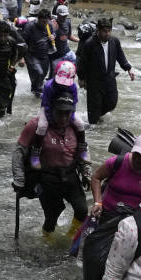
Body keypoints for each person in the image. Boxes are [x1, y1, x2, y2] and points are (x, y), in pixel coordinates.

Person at [14, 94, 89, 233]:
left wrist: (86, 171)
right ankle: (48, 241)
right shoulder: (36, 125)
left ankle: (71, 238)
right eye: (59, 113)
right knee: (52, 216)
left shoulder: (76, 126)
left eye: (67, 113)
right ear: (51, 110)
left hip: (70, 174)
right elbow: (19, 152)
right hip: (46, 178)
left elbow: (83, 149)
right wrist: (19, 178)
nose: (64, 118)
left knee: (82, 210)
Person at [75, 18, 134, 125]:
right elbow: (82, 63)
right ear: (98, 30)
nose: (107, 34)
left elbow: (121, 56)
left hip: (110, 79)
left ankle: (97, 115)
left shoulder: (114, 41)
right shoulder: (89, 44)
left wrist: (128, 68)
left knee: (112, 103)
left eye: (109, 31)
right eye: (104, 31)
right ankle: (92, 128)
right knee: (93, 117)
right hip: (94, 82)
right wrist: (81, 78)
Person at [89, 132, 141, 217]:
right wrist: (98, 203)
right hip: (107, 212)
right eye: (136, 153)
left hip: (134, 219)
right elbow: (96, 177)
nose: (137, 159)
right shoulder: (116, 162)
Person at [21, 8, 56, 94]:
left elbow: (54, 33)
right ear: (38, 19)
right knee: (39, 72)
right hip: (31, 55)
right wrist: (21, 57)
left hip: (44, 54)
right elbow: (22, 42)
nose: (45, 24)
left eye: (46, 21)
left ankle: (35, 90)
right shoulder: (30, 27)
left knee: (43, 74)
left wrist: (53, 36)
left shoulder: (49, 25)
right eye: (43, 22)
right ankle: (37, 89)